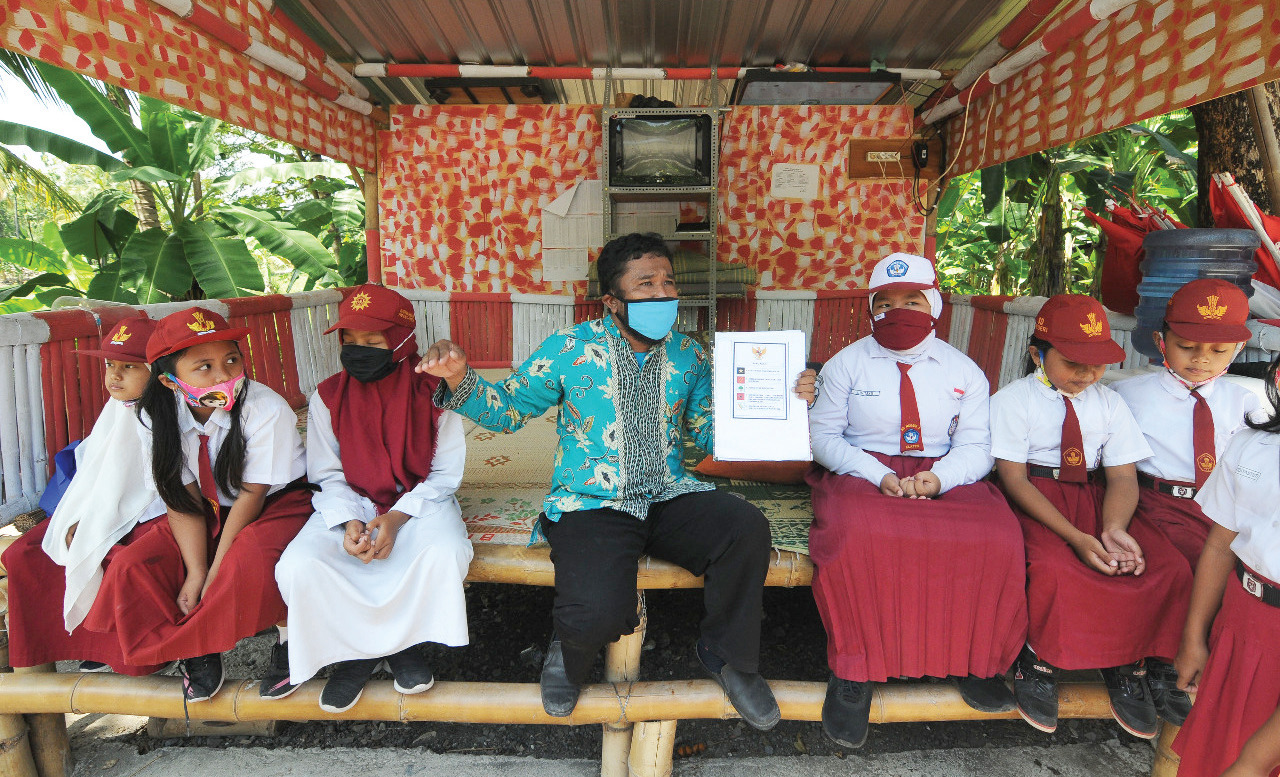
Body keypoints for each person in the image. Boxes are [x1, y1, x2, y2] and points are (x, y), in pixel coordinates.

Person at [418, 232, 814, 730]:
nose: (662, 294)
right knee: (597, 613)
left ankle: (729, 658)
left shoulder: (690, 355)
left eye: (668, 282)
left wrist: (786, 400)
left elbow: (712, 433)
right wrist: (459, 377)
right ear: (611, 300)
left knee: (745, 528)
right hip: (593, 501)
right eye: (645, 284)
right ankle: (569, 649)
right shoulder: (570, 349)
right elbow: (508, 412)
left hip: (670, 494)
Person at [805, 252, 1028, 748]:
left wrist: (941, 479)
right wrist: (875, 472)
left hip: (943, 470)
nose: (897, 311)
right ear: (869, 310)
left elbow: (977, 445)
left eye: (912, 300)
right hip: (863, 469)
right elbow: (823, 438)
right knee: (858, 536)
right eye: (884, 303)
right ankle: (853, 674)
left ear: (934, 303)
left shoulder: (964, 371)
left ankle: (979, 664)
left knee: (995, 536)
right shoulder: (846, 363)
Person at [82, 307, 313, 702]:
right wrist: (196, 571)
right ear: (169, 380)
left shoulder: (266, 408)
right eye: (203, 367)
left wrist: (214, 571)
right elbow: (180, 497)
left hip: (277, 502)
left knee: (246, 560)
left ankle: (292, 641)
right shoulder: (154, 414)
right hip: (205, 508)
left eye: (231, 360)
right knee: (139, 562)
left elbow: (251, 496)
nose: (224, 375)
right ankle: (196, 647)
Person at [991, 293, 1192, 739]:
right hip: (1035, 501)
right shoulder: (1013, 400)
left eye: (1097, 364)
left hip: (1096, 499)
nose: (1086, 375)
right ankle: (1038, 661)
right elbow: (1014, 480)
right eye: (1073, 363)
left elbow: (1122, 477)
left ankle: (1129, 662)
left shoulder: (1109, 403)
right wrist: (1078, 538)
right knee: (1056, 567)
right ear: (1036, 355)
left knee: (1165, 566)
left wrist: (1113, 528)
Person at [274, 285, 472, 712]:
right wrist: (349, 523)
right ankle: (357, 655)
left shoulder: (436, 393)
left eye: (373, 341)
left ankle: (398, 647)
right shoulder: (328, 396)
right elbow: (326, 474)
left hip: (418, 502)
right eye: (351, 341)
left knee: (445, 552)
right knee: (299, 566)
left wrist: (397, 519)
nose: (358, 350)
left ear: (401, 343)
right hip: (354, 504)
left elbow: (443, 477)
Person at [1112, 278, 1262, 726]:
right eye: (1187, 346)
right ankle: (1144, 662)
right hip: (1154, 503)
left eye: (1218, 351)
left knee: (1239, 576)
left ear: (1238, 349)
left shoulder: (1253, 402)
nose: (1201, 359)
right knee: (1170, 567)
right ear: (1161, 342)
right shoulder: (1126, 394)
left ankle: (1205, 666)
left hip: (1224, 509)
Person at [3, 314, 168, 675]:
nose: (114, 376)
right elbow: (94, 470)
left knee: (114, 555)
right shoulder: (118, 407)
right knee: (22, 554)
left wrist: (97, 522)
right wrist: (79, 515)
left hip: (148, 513)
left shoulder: (164, 413)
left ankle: (115, 648)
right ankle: (71, 641)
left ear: (159, 371)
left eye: (129, 367)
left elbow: (155, 487)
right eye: (110, 364)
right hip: (102, 505)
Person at [1173, 353, 1280, 777]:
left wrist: (1255, 761)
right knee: (1212, 759)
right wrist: (1194, 636)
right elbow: (1219, 545)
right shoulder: (1252, 443)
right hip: (1242, 621)